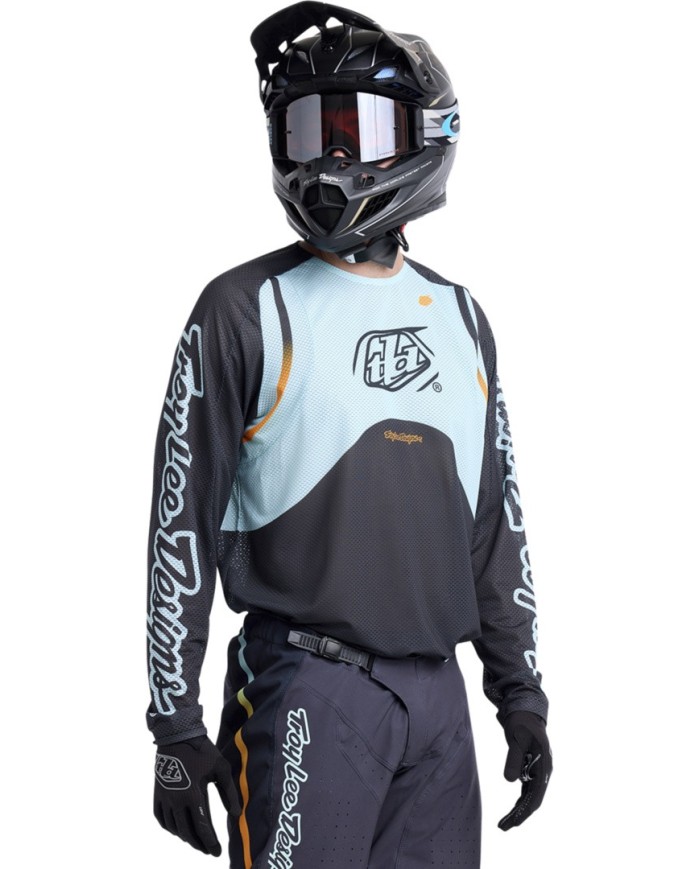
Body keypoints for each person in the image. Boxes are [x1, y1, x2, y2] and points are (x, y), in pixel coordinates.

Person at [146, 3, 552, 867]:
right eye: (307, 131)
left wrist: (520, 694)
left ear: (427, 138)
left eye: (357, 130)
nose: (330, 159)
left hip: (439, 709)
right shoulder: (244, 309)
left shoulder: (462, 319)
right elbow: (181, 520)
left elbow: (495, 525)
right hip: (308, 691)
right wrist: (175, 726)